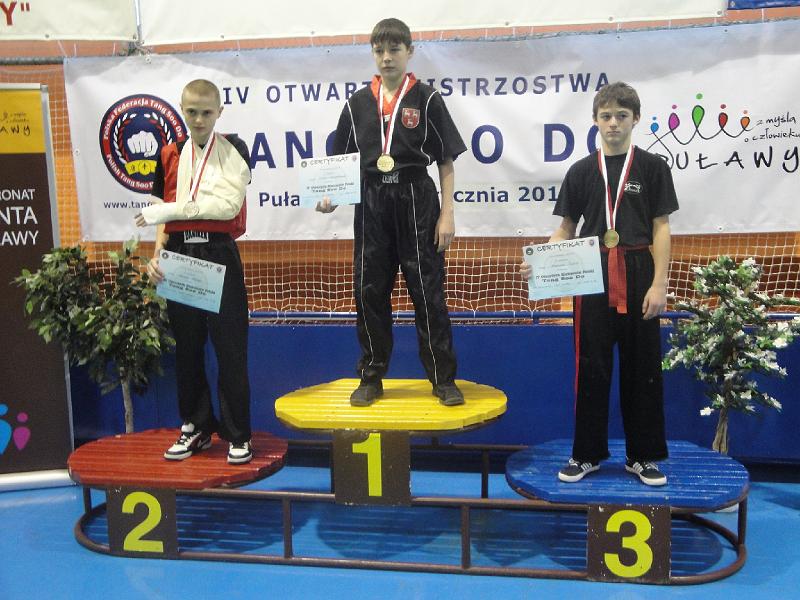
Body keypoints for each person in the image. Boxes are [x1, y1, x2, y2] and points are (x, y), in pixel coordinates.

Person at [521, 82, 678, 486]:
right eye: (606, 116)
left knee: (643, 368)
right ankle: (586, 454)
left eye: (621, 116)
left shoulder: (653, 167)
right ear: (594, 120)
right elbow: (565, 228)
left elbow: (661, 228)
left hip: (639, 270)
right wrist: (542, 260)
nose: (613, 124)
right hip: (591, 273)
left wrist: (659, 283)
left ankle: (643, 456)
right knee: (591, 367)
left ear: (636, 119)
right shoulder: (580, 171)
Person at [317, 18, 466, 407]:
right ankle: (371, 376)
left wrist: (447, 214)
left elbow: (446, 160)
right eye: (379, 50)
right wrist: (329, 196)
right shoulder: (356, 105)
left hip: (417, 197)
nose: (386, 57)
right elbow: (341, 163)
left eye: (394, 49)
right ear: (373, 53)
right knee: (369, 290)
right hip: (371, 201)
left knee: (427, 291)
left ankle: (443, 378)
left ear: (409, 52)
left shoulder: (427, 99)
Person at [135, 79, 254, 465]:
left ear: (219, 112)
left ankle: (238, 434)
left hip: (219, 253)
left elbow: (227, 207)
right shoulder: (169, 154)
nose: (199, 119)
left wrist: (172, 211)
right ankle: (196, 426)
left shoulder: (234, 148)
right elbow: (161, 214)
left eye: (206, 112)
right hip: (179, 254)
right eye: (191, 111)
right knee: (187, 349)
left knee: (230, 349)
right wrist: (157, 254)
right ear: (182, 110)